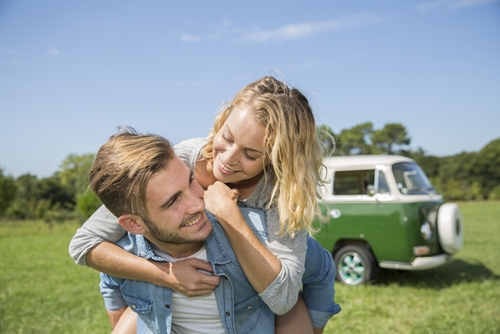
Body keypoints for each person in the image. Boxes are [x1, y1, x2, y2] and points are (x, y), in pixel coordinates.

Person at [69, 76, 340, 332]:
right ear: (223, 119)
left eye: (250, 154)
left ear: (275, 159)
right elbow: (87, 244)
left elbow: (290, 292)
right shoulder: (179, 160)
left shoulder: (276, 197)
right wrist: (165, 275)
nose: (229, 158)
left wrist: (228, 215)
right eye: (228, 137)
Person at [87, 127, 279, 333]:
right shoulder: (123, 255)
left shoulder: (252, 230)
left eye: (190, 181)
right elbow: (109, 282)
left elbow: (315, 273)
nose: (198, 204)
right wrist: (164, 275)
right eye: (172, 202)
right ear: (134, 225)